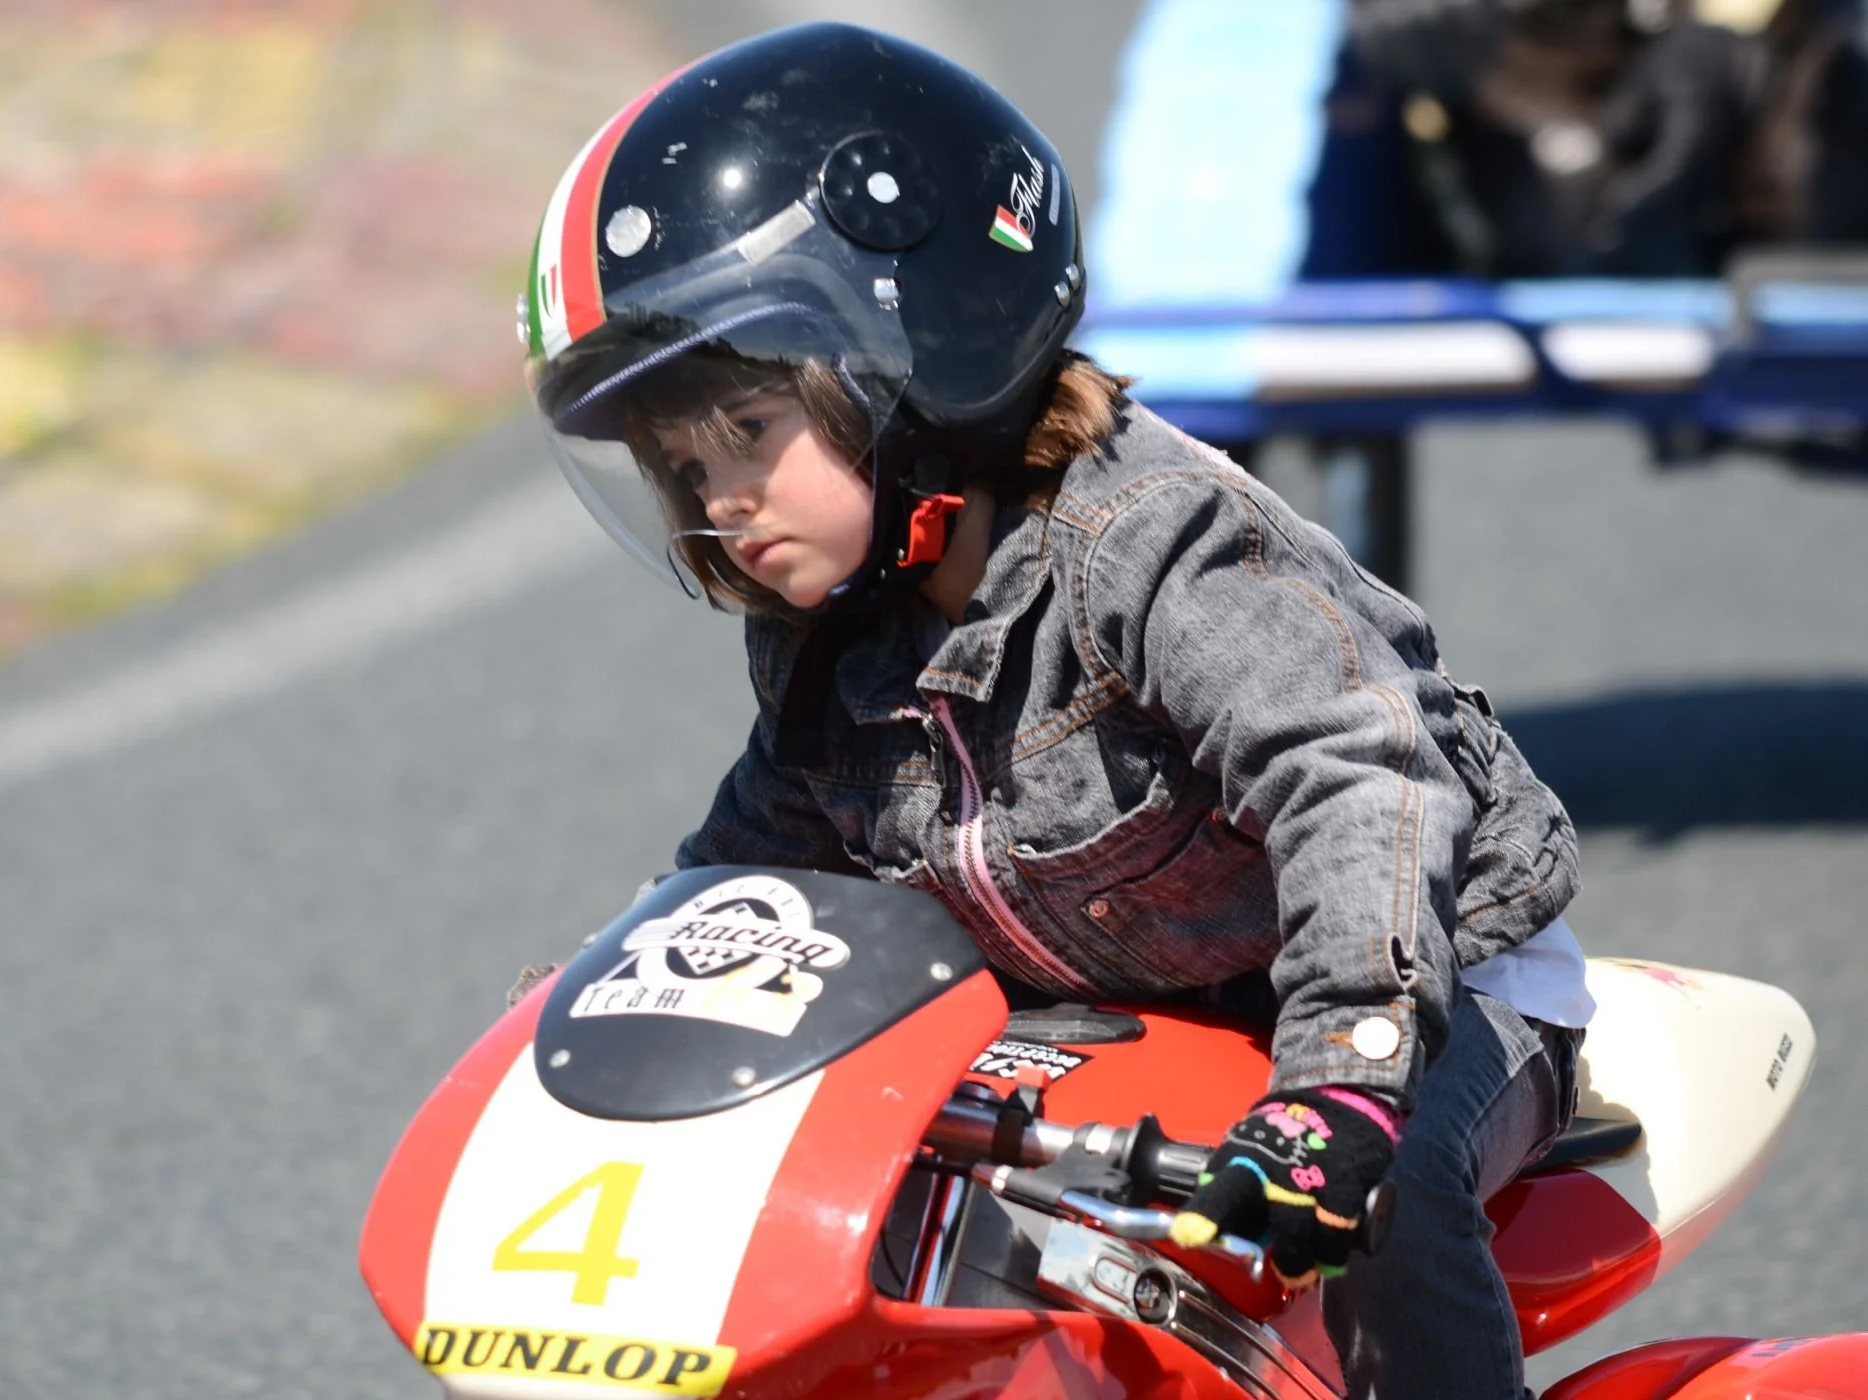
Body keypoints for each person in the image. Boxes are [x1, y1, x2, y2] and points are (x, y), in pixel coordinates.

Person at [522, 22, 1593, 1400]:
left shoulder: (1149, 541)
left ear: (914, 347)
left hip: (1430, 972)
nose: (720, 498)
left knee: (1377, 1207)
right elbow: (757, 873)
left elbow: (1357, 777)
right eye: (680, 463)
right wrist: (610, 1012)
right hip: (1129, 1000)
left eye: (746, 431)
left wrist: (1344, 1075)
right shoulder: (833, 636)